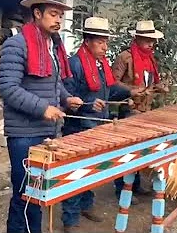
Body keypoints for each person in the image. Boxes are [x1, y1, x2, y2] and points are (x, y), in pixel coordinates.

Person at [0, 0, 84, 233]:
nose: (59, 20)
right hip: (24, 135)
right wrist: (44, 109)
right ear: (37, 13)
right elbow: (8, 88)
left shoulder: (53, 45)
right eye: (53, 14)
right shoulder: (17, 45)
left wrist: (66, 98)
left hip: (46, 132)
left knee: (38, 195)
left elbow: (54, 82)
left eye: (61, 15)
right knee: (25, 197)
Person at [61, 17, 133, 233]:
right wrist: (88, 105)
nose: (105, 47)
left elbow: (109, 91)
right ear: (88, 41)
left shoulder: (101, 65)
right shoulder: (75, 64)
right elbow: (67, 99)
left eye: (106, 42)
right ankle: (70, 220)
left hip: (97, 126)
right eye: (100, 42)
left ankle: (86, 206)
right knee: (75, 173)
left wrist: (130, 93)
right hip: (78, 128)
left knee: (90, 172)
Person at [111, 20, 169, 204]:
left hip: (145, 110)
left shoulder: (150, 59)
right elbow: (112, 83)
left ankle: (135, 184)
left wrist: (158, 87)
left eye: (152, 40)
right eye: (146, 40)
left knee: (139, 151)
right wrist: (131, 90)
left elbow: (149, 85)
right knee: (126, 152)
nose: (151, 44)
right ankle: (121, 188)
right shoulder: (124, 57)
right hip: (128, 109)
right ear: (137, 38)